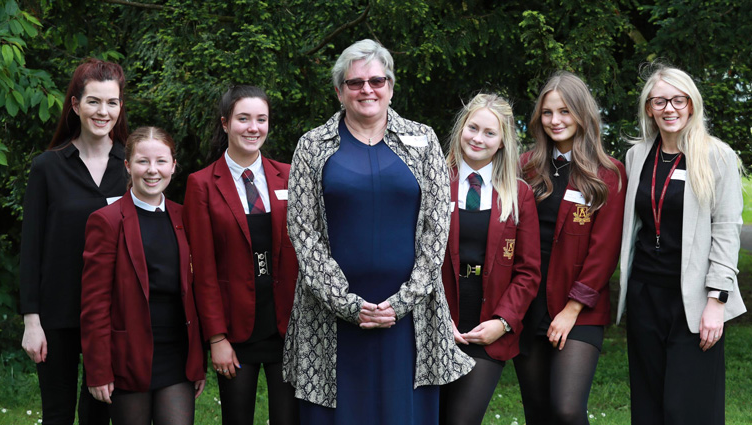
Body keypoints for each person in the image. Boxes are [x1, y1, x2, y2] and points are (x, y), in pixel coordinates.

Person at [282, 38, 474, 425]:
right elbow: (302, 231)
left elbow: (438, 227)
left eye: (376, 80)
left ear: (390, 86)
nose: (367, 89)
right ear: (339, 91)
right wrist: (349, 304)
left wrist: (400, 303)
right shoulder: (312, 146)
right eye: (355, 83)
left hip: (408, 318)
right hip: (330, 316)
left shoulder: (422, 141)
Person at [617, 64, 746, 425]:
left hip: (694, 301)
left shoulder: (716, 156)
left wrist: (716, 301)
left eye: (678, 100)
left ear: (691, 105)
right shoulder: (636, 156)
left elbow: (726, 230)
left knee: (688, 409)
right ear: (649, 108)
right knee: (649, 407)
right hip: (645, 296)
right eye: (660, 101)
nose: (669, 108)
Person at [20, 58, 129, 425]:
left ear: (121, 106)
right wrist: (31, 321)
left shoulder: (133, 167)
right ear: (75, 105)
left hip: (111, 313)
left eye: (111, 102)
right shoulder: (47, 167)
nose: (103, 111)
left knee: (99, 412)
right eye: (93, 101)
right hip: (57, 313)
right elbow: (31, 249)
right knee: (57, 413)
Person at [183, 85, 299, 424]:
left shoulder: (289, 176)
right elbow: (202, 271)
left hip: (285, 326)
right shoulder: (202, 184)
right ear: (225, 123)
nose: (253, 128)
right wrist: (217, 338)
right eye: (243, 119)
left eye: (261, 119)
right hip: (235, 329)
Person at [516, 71, 626, 424]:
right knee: (537, 410)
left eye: (564, 111)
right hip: (528, 304)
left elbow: (604, 252)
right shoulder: (526, 167)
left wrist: (572, 309)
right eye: (547, 113)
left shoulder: (608, 174)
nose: (555, 120)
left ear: (582, 114)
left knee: (566, 409)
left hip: (579, 308)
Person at [80, 126, 205, 424]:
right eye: (142, 161)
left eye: (161, 161)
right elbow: (94, 304)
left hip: (177, 355)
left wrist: (199, 361)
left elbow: (197, 292)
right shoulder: (106, 221)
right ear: (127, 165)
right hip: (128, 357)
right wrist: (98, 369)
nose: (152, 170)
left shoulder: (184, 216)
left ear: (173, 166)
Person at [439, 93, 541, 425]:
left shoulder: (519, 194)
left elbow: (528, 271)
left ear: (502, 143)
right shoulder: (435, 183)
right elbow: (416, 258)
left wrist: (503, 322)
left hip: (488, 328)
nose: (478, 139)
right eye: (473, 128)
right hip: (439, 324)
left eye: (489, 133)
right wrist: (438, 316)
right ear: (460, 130)